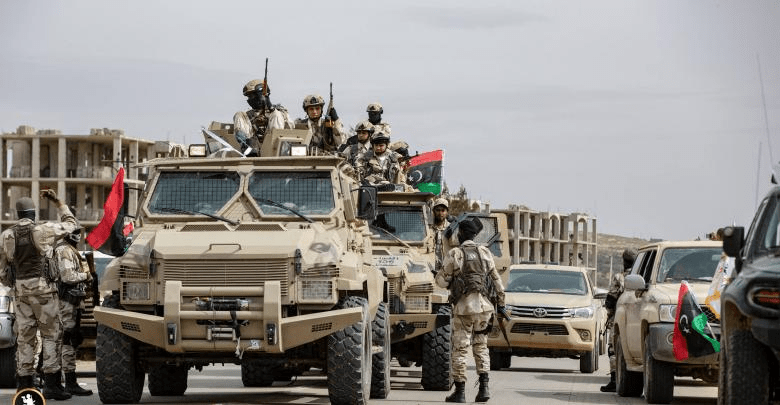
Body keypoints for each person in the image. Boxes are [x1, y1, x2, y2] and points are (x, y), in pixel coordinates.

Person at [0, 191, 79, 399]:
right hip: (44, 292)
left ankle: (24, 385)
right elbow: (72, 225)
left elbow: (2, 270)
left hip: (21, 293)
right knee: (51, 335)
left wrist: (14, 284)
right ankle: (51, 385)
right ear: (33, 213)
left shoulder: (6, 235)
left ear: (18, 214)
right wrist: (58, 202)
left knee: (25, 338)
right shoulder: (43, 229)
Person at [435, 218, 506, 403]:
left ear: (460, 234)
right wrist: (502, 304)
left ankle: (460, 392)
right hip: (484, 309)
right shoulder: (485, 252)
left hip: (464, 309)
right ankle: (484, 389)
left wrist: (442, 276)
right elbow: (497, 281)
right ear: (474, 235)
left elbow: (441, 282)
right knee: (481, 346)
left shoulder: (455, 253)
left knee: (460, 349)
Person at [53, 228, 93, 396]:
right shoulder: (64, 250)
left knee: (70, 339)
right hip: (66, 302)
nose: (78, 236)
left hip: (72, 302)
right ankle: (68, 382)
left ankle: (64, 382)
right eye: (75, 232)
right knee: (67, 340)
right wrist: (86, 275)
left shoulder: (70, 250)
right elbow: (68, 277)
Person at [600, 248, 637, 392]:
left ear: (624, 261)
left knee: (613, 349)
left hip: (619, 320)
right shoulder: (643, 277)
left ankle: (615, 380)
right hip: (637, 320)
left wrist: (610, 315)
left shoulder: (620, 278)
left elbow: (610, 300)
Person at [233, 79, 293, 154]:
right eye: (249, 97)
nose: (250, 99)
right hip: (253, 147)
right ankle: (246, 147)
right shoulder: (246, 115)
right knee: (239, 114)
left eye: (252, 96)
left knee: (276, 115)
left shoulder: (279, 112)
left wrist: (271, 108)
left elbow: (290, 127)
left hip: (274, 149)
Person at [430, 198, 450, 273]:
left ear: (447, 212)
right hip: (430, 266)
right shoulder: (427, 228)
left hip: (446, 268)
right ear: (433, 211)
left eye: (443, 210)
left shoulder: (451, 228)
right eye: (438, 210)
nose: (440, 213)